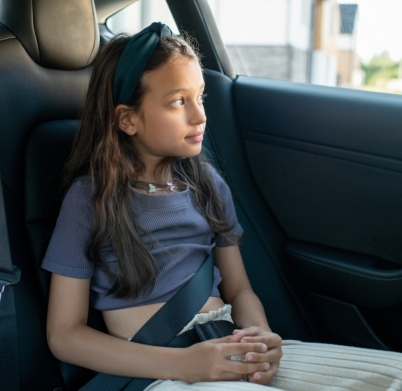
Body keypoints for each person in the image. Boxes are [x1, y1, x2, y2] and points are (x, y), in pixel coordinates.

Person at [42, 23, 402, 391]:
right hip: (161, 372)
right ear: (127, 118)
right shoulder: (90, 199)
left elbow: (240, 290)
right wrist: (186, 364)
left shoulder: (207, 184)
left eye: (200, 97)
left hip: (233, 351)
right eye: (178, 101)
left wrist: (259, 337)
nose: (199, 116)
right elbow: (65, 334)